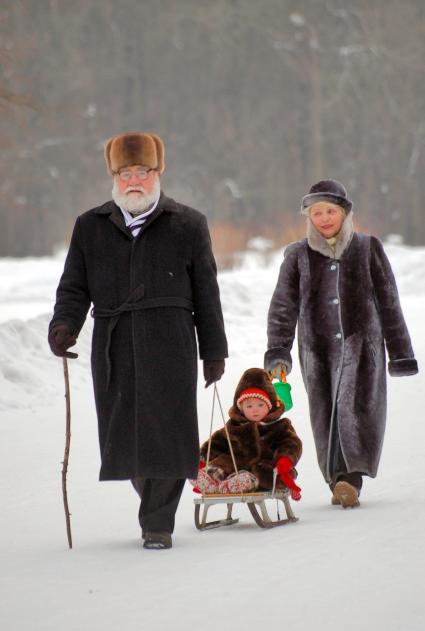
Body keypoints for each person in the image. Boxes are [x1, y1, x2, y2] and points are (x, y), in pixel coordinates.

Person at [48, 131, 228, 549]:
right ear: (113, 176)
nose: (134, 180)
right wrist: (63, 326)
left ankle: (158, 522)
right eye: (125, 172)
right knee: (123, 435)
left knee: (168, 432)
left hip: (172, 343)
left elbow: (207, 291)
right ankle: (153, 503)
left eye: (142, 172)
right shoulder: (90, 226)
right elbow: (73, 287)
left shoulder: (188, 223)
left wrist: (214, 350)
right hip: (115, 345)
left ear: (157, 173)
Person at [264, 179, 418, 508]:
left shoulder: (367, 248)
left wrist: (401, 353)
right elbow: (282, 307)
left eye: (330, 211)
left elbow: (389, 302)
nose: (323, 218)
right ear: (308, 217)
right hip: (316, 351)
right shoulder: (297, 256)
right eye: (316, 212)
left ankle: (351, 479)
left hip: (364, 350)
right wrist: (279, 350)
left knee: (358, 412)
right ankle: (336, 477)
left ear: (344, 212)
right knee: (325, 415)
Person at [191, 368, 302, 499]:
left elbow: (291, 444)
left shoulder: (280, 426)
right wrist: (201, 459)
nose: (255, 410)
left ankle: (233, 485)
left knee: (249, 477)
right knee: (219, 467)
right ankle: (211, 481)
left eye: (260, 405)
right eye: (249, 406)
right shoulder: (234, 427)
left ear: (270, 406)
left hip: (265, 470)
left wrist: (284, 460)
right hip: (233, 466)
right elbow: (216, 443)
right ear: (241, 409)